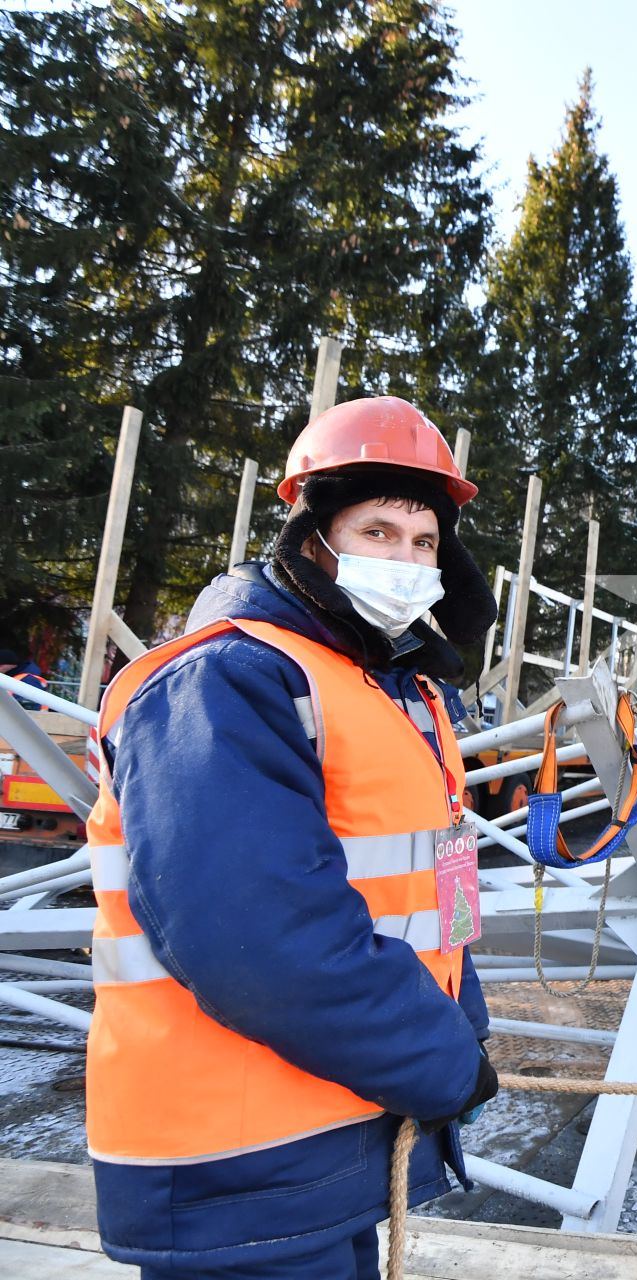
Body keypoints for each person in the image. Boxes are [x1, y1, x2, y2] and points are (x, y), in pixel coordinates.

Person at [83, 397, 499, 1278]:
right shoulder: (227, 679)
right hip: (234, 1170)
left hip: (326, 1145)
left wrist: (465, 1026)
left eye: (424, 544)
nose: (406, 562)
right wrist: (438, 1059)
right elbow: (260, 941)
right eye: (378, 532)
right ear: (314, 538)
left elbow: (438, 888)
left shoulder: (395, 692)